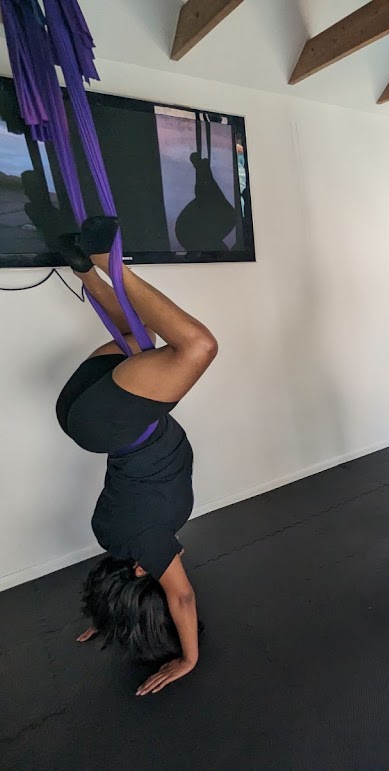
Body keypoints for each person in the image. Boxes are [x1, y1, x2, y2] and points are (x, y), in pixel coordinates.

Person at [55, 216, 217, 696]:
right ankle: (84, 266)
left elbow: (182, 597)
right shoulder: (113, 537)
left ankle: (107, 261)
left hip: (113, 422)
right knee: (140, 331)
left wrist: (188, 658)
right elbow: (147, 579)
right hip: (82, 412)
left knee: (198, 347)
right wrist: (108, 617)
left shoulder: (147, 544)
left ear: (144, 571)